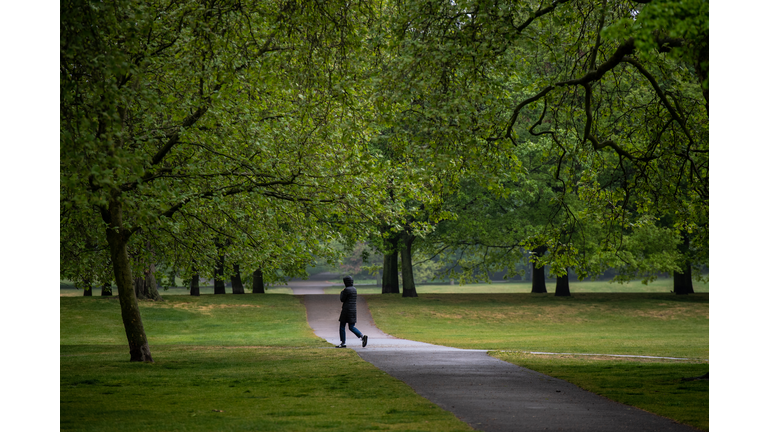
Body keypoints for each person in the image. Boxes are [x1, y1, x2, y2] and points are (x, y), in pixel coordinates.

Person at [337, 276, 368, 348]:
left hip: (346, 309)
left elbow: (342, 299)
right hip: (353, 310)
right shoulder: (354, 289)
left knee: (342, 326)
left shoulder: (346, 290)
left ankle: (343, 342)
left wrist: (342, 292)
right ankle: (362, 336)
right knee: (351, 326)